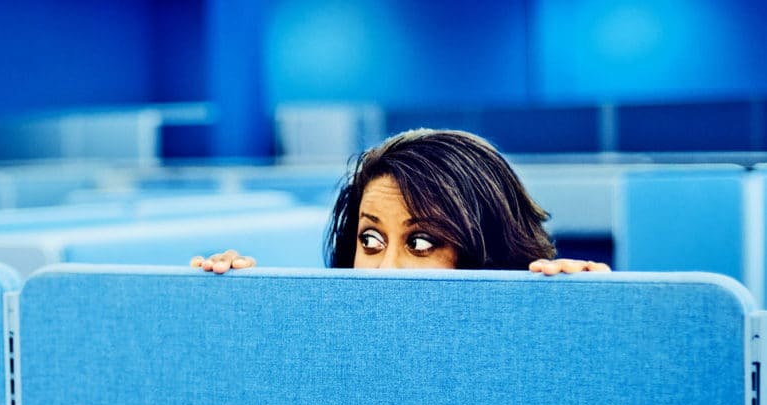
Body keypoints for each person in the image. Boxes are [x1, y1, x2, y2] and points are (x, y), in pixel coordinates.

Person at [191, 128, 610, 275]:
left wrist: (574, 317)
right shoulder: (330, 350)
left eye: (422, 243)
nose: (384, 268)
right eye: (370, 240)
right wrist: (232, 308)